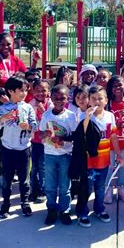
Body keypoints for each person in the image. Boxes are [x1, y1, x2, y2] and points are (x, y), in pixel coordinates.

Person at [74, 86, 123, 228]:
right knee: (86, 188)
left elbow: (113, 136)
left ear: (106, 100)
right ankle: (82, 212)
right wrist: (88, 117)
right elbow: (80, 134)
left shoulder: (110, 116)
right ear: (89, 100)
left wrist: (118, 154)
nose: (97, 101)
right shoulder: (83, 115)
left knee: (101, 187)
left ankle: (99, 209)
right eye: (93, 98)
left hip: (104, 160)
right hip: (88, 160)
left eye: (100, 98)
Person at [0, 76, 38, 218]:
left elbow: (35, 126)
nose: (24, 93)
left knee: (24, 179)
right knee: (7, 178)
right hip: (7, 149)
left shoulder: (28, 107)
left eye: (25, 90)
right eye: (20, 90)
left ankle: (25, 202)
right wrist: (3, 118)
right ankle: (5, 204)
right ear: (10, 91)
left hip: (24, 149)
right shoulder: (3, 108)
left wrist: (29, 126)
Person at [39, 85, 77, 226]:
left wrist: (62, 139)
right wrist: (46, 134)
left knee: (64, 185)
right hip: (49, 154)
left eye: (62, 98)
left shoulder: (70, 116)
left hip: (65, 154)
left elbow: (74, 135)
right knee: (50, 185)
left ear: (67, 99)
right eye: (56, 98)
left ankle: (64, 210)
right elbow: (40, 133)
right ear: (51, 98)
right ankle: (51, 209)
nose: (59, 101)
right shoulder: (46, 115)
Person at [104, 76, 124, 204]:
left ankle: (121, 188)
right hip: (110, 142)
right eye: (114, 86)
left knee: (122, 166)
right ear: (110, 88)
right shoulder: (107, 104)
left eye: (120, 85)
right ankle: (108, 189)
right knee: (109, 167)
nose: (117, 88)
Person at [28, 79, 53, 203]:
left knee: (43, 167)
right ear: (32, 91)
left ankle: (43, 190)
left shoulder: (51, 105)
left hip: (46, 142)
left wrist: (43, 111)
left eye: (43, 90)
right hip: (33, 140)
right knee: (33, 167)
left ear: (48, 91)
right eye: (37, 90)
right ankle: (34, 190)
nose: (40, 93)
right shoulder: (30, 104)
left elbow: (53, 122)